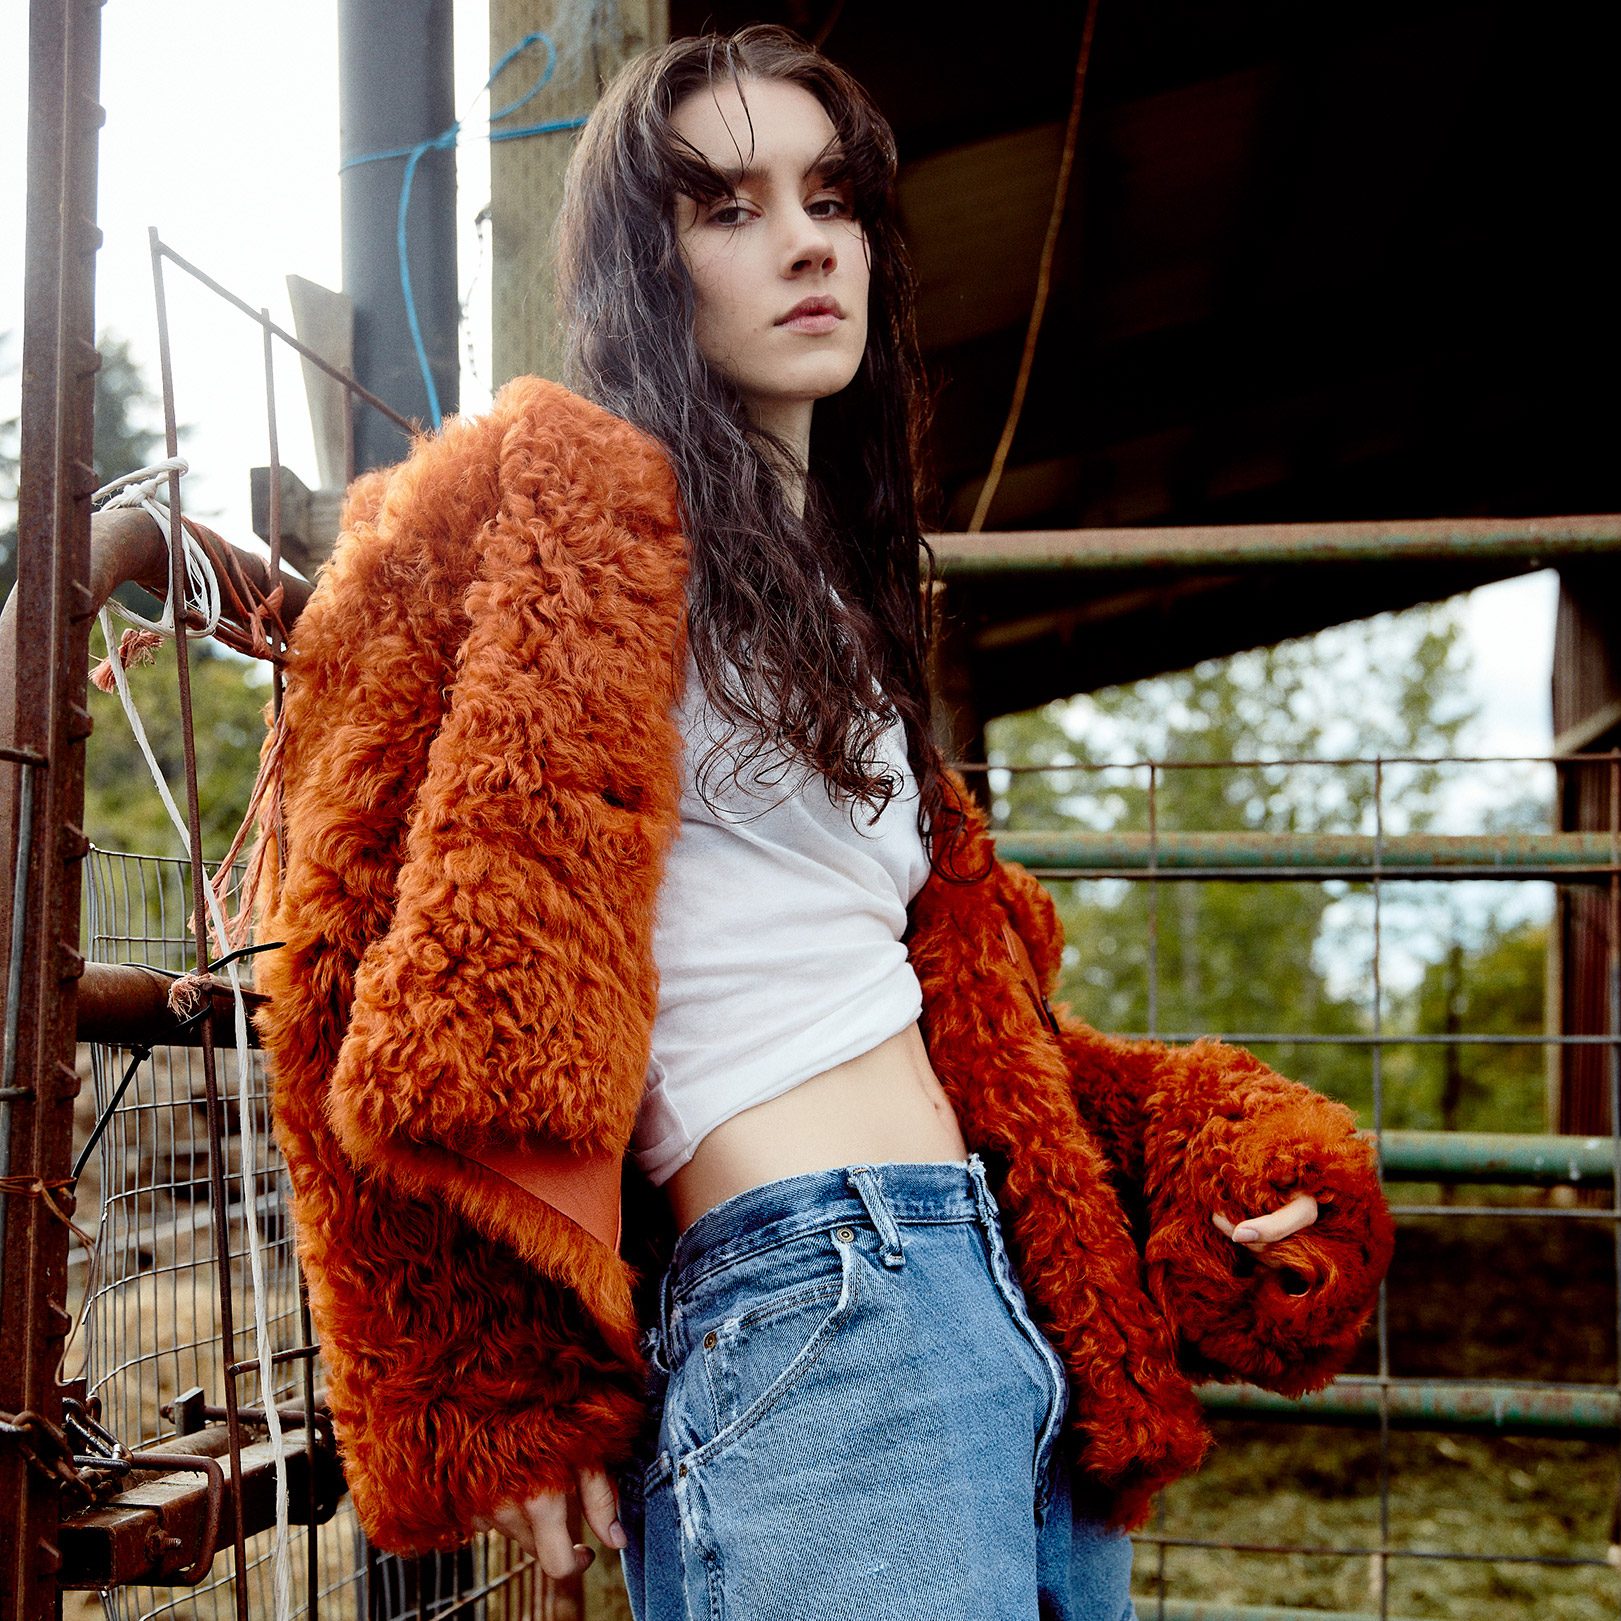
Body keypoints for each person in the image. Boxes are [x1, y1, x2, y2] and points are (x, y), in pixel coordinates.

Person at [254, 24, 1392, 1621]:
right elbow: (337, 934)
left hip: (1000, 1304)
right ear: (646, 268)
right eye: (728, 207)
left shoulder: (844, 618)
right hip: (811, 1299)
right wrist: (478, 1370)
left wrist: (1211, 1144)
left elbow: (949, 1030)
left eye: (831, 197)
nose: (805, 242)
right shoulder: (541, 507)